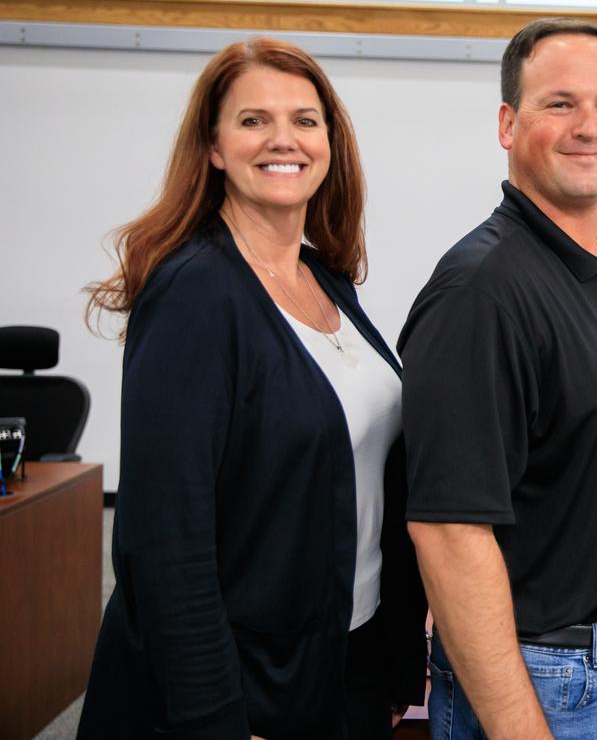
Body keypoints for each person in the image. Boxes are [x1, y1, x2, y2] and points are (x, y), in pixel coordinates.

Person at [79, 37, 427, 740]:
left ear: (330, 140)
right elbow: (163, 542)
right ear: (213, 147)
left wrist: (391, 660)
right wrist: (217, 719)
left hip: (340, 660)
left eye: (305, 119)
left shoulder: (323, 277)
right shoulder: (195, 293)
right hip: (239, 687)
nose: (283, 139)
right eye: (252, 120)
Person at [397, 18, 597, 740]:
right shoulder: (479, 293)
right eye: (560, 103)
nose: (588, 126)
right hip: (546, 682)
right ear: (508, 123)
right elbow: (449, 532)